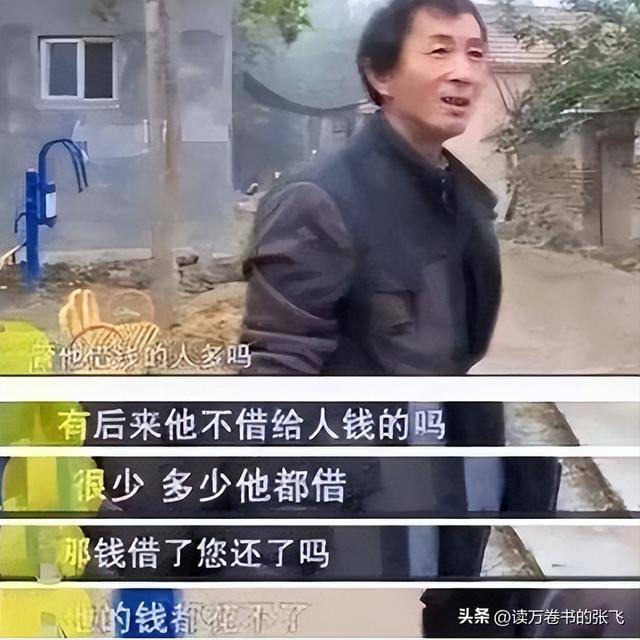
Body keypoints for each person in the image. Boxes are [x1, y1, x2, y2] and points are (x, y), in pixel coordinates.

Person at [240, 0, 560, 576]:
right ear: (381, 76)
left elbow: (452, 358)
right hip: (359, 499)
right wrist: (277, 549)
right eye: (439, 51)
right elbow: (276, 378)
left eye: (475, 54)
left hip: (447, 481)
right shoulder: (319, 200)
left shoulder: (461, 198)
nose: (463, 72)